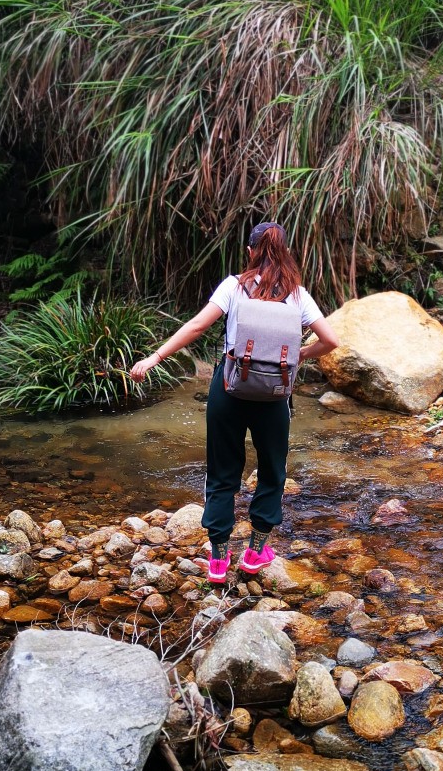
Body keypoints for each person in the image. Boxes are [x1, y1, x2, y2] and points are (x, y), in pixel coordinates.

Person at [130, 222, 339, 583]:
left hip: (228, 388)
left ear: (250, 251)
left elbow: (197, 326)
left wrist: (155, 357)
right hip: (274, 396)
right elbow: (331, 340)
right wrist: (298, 355)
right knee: (273, 472)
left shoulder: (234, 286)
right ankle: (256, 552)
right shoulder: (298, 295)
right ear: (286, 250)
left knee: (223, 472)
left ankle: (218, 560)